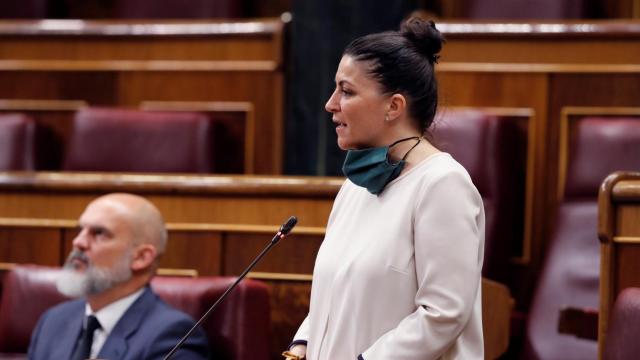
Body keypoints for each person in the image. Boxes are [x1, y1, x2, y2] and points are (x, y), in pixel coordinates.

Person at [284, 18, 485, 359]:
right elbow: (339, 295)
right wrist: (303, 343)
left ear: (393, 106)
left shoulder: (443, 185)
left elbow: (443, 313)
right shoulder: (355, 186)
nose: (330, 104)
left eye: (346, 91)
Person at [28, 193, 210, 360]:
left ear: (141, 257)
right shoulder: (53, 321)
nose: (79, 242)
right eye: (80, 230)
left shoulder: (173, 335)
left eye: (99, 233)